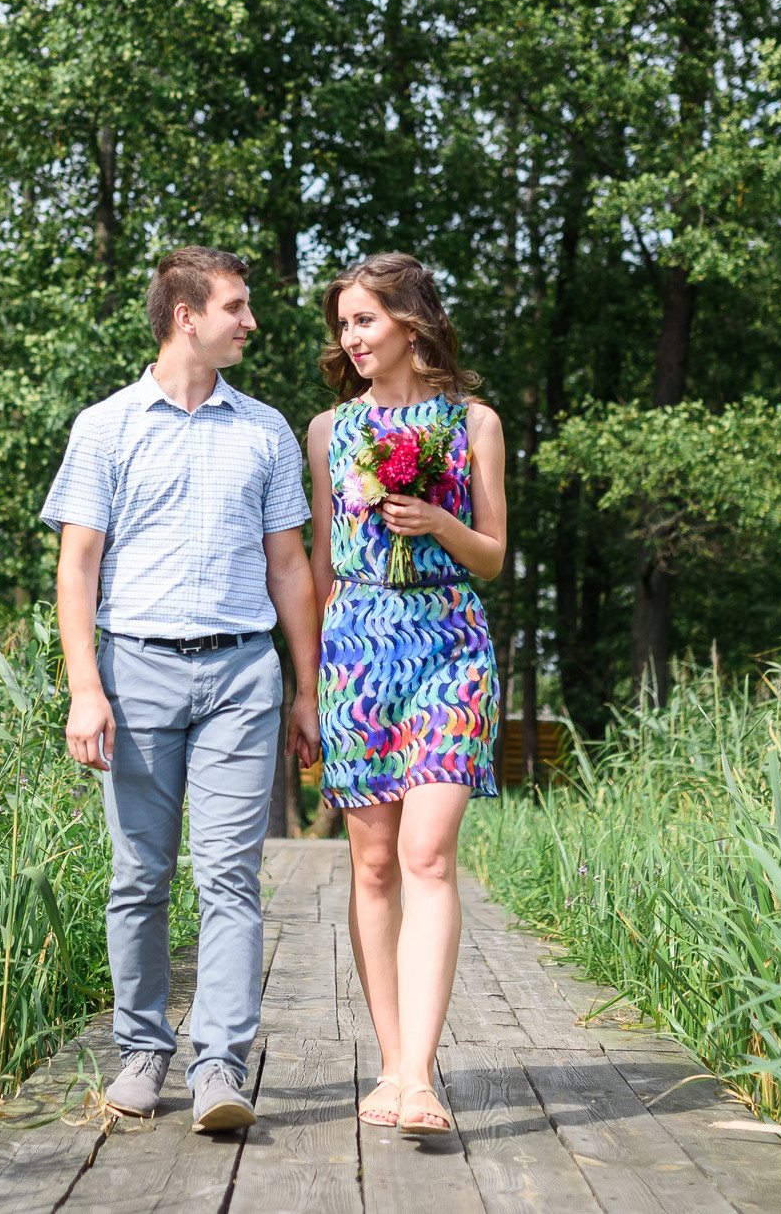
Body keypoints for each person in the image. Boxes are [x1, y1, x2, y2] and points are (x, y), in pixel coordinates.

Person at [43, 247, 324, 1134]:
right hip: (137, 671)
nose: (250, 322)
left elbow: (290, 567)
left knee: (232, 875)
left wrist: (306, 689)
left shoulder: (266, 430)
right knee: (141, 875)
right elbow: (77, 565)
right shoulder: (106, 426)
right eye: (236, 307)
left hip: (243, 673)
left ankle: (218, 1065)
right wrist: (86, 687)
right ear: (185, 316)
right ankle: (142, 1050)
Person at [304, 252, 508, 1141]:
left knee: (428, 852)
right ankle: (391, 1060)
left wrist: (441, 524)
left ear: (412, 324)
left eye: (365, 321)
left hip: (450, 643)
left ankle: (420, 1075)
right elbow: (317, 563)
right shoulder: (326, 430)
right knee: (375, 863)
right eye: (344, 324)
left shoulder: (474, 420)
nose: (351, 339)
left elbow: (495, 553)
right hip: (356, 645)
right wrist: (305, 686)